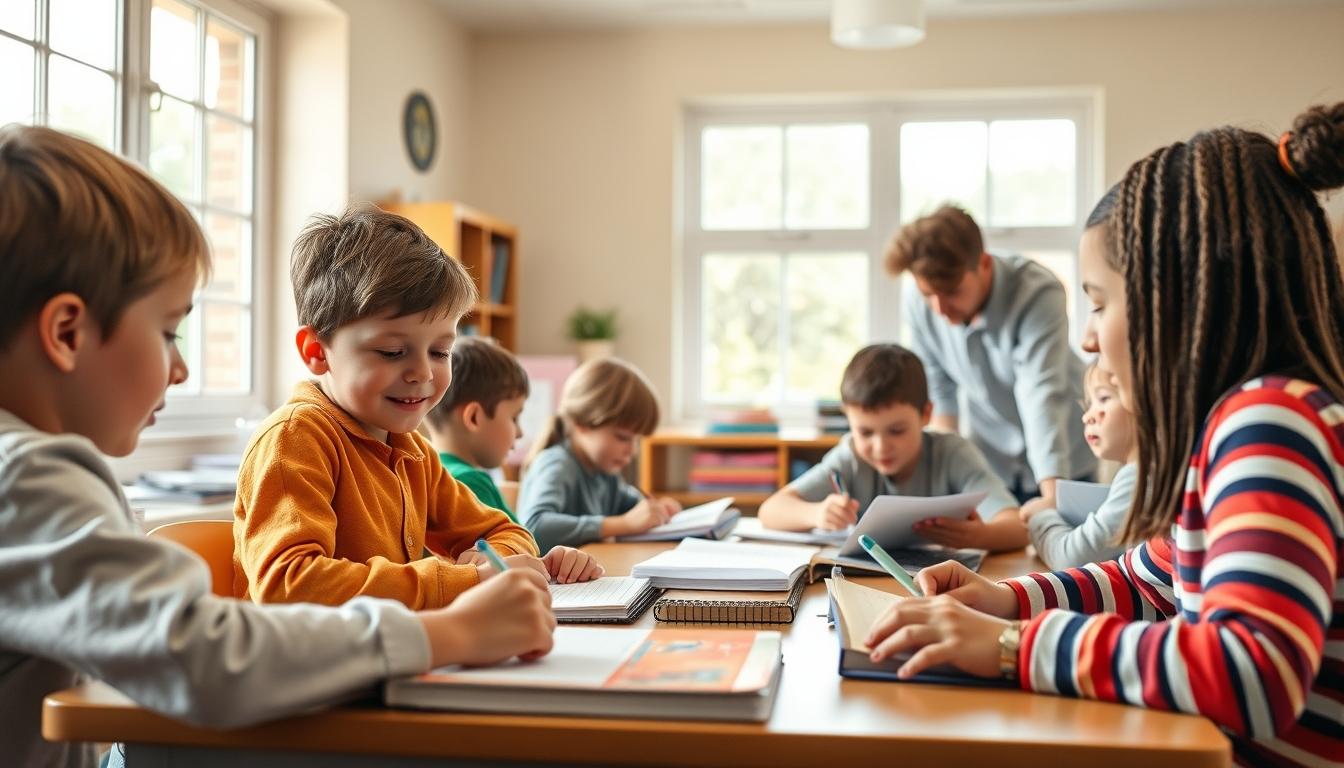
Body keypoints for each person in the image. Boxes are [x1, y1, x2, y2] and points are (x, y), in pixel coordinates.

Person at [0, 125, 555, 767]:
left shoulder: (36, 471)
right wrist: (452, 626)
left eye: (439, 351)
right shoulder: (30, 477)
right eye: (169, 332)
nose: (179, 371)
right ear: (67, 331)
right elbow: (201, 657)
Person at [865, 104, 1344, 765]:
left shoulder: (1270, 424)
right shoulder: (1231, 430)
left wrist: (1013, 648)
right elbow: (1145, 580)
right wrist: (1006, 600)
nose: (1087, 337)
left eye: (1097, 302)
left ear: (1174, 300)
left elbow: (1251, 672)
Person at [234, 205, 601, 608]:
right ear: (317, 351)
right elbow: (289, 585)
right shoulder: (296, 438)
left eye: (442, 352)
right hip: (310, 667)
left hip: (390, 655)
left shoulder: (411, 450)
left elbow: (505, 531)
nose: (422, 373)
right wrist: (463, 581)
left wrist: (492, 561)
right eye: (392, 352)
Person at [887, 205, 1096, 501]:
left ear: (983, 264)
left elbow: (1040, 394)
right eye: (928, 294)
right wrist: (947, 482)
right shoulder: (920, 303)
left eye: (952, 292)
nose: (940, 309)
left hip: (1065, 461)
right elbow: (940, 391)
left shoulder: (1037, 293)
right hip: (992, 464)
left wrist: (1053, 500)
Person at [758, 344, 1024, 552]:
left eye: (896, 431)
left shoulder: (953, 454)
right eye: (864, 432)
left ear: (926, 414)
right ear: (848, 420)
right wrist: (816, 513)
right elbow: (770, 510)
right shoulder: (849, 457)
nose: (880, 446)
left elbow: (1018, 528)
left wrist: (979, 536)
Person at [518, 357, 678, 551]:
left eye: (636, 440)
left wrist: (657, 510)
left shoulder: (603, 472)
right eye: (622, 437)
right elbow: (534, 527)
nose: (632, 450)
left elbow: (632, 506)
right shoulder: (557, 464)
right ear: (582, 423)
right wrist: (623, 524)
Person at [1019, 363, 1135, 568]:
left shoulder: (1138, 478)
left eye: (1104, 399)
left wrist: (1041, 517)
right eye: (1089, 404)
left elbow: (1072, 558)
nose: (1087, 416)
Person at [424, 336, 529, 522]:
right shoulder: (469, 483)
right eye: (514, 417)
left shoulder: (427, 473)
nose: (520, 433)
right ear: (474, 417)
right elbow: (524, 549)